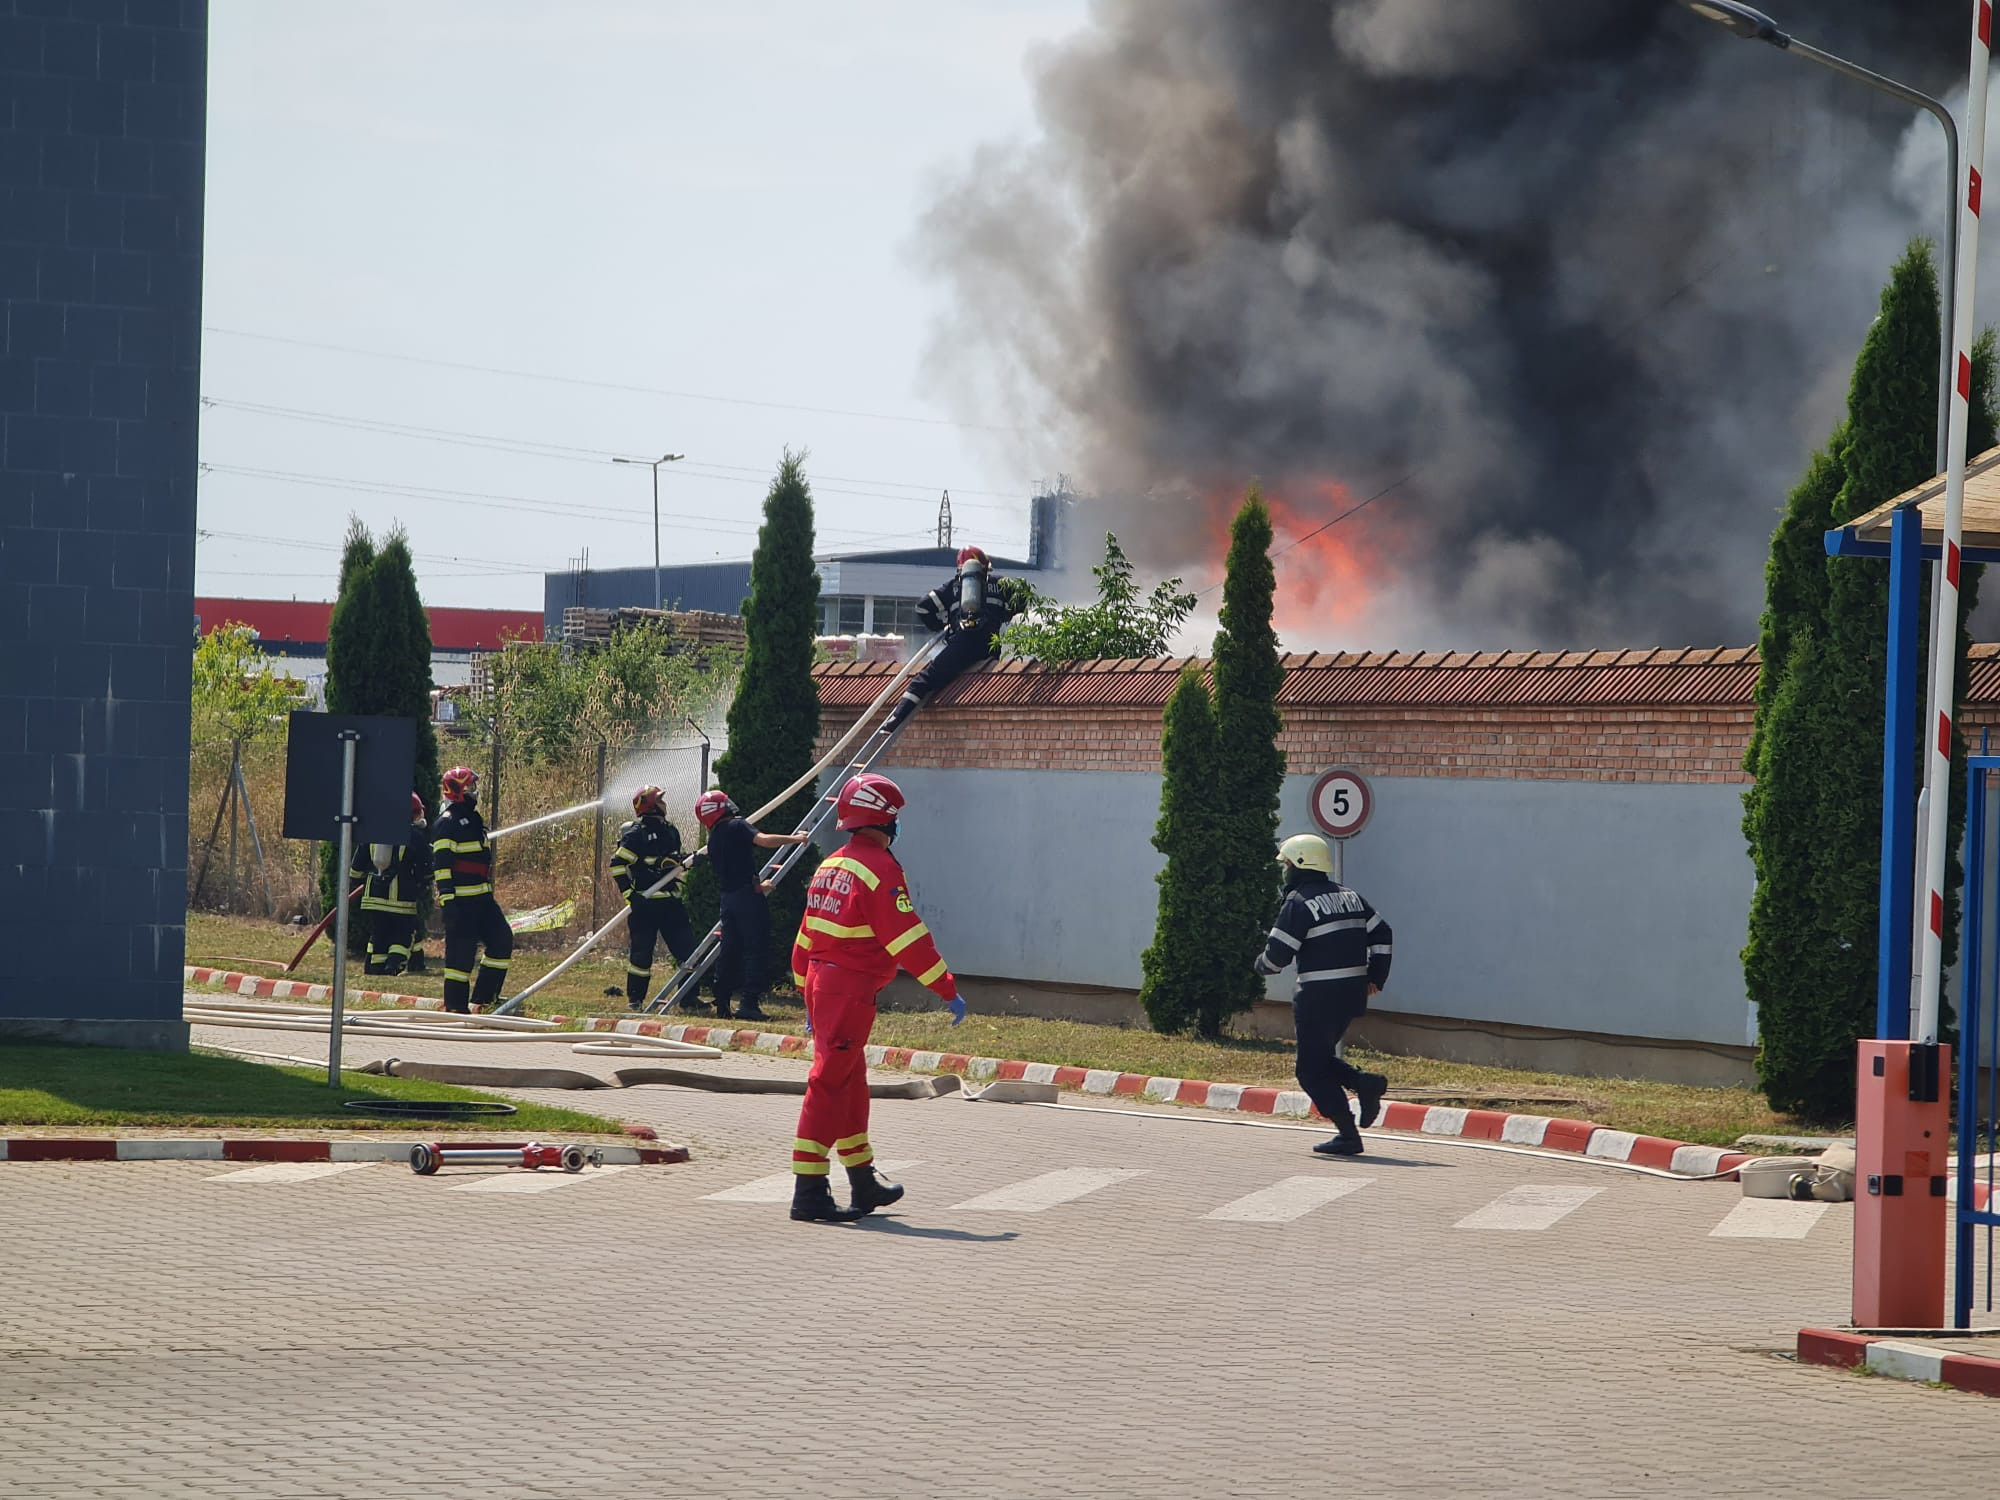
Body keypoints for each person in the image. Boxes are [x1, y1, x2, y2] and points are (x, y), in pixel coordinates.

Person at [786, 772, 965, 1222]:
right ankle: (809, 1191)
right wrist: (946, 987)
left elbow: (806, 936)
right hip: (847, 990)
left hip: (825, 986)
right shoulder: (880, 869)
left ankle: (863, 1181)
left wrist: (805, 991)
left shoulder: (832, 865)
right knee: (829, 1085)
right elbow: (906, 937)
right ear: (884, 820)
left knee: (850, 1086)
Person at [1255, 833, 1394, 1157]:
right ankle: (1364, 1084)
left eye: (1287, 864)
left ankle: (1348, 1134)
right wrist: (1376, 976)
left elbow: (1277, 957)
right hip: (1350, 996)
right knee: (1319, 1060)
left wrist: (1258, 965)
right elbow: (1383, 933)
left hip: (1318, 996)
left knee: (1309, 1071)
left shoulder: (1299, 902)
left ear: (1300, 864)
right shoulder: (1351, 897)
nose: (1285, 870)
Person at [694, 788, 809, 1023]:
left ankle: (722, 1001)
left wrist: (760, 886)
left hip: (729, 900)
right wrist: (795, 839)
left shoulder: (714, 839)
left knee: (729, 949)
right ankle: (749, 1004)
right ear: (720, 808)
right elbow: (764, 840)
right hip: (748, 900)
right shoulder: (737, 825)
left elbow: (733, 875)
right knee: (756, 949)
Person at [883, 545, 1024, 731]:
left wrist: (941, 626)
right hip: (991, 646)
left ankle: (895, 720)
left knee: (922, 681)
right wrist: (1005, 614)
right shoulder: (1001, 584)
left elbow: (922, 607)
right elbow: (1021, 597)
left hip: (963, 645)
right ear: (985, 566)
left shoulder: (953, 587)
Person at [431, 766, 513, 1014]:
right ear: (456, 791)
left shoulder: (473, 819)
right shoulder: (447, 824)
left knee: (502, 940)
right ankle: (456, 1006)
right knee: (460, 959)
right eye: (470, 787)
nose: (475, 792)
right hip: (461, 904)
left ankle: (484, 1000)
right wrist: (448, 903)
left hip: (483, 900)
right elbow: (442, 868)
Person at [611, 783, 696, 1012]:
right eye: (659, 799)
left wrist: (688, 860)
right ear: (650, 805)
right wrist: (630, 894)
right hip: (645, 906)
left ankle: (689, 999)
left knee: (687, 950)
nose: (664, 803)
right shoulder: (636, 834)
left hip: (671, 902)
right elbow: (618, 865)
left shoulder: (671, 830)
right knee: (641, 955)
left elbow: (673, 861)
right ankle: (635, 1000)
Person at [349, 792, 431, 977]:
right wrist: (421, 885)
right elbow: (426, 871)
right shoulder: (416, 837)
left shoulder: (372, 833)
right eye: (416, 813)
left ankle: (373, 968)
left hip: (373, 899)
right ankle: (393, 966)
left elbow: (355, 870)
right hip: (402, 900)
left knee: (379, 935)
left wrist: (366, 882)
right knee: (403, 934)